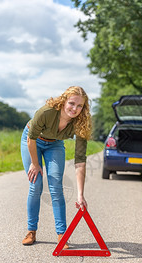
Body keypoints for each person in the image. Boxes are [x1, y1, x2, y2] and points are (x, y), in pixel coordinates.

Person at [21, 86, 92, 246]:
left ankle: (62, 235)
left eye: (79, 106)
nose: (75, 109)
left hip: (54, 144)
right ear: (63, 101)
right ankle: (31, 231)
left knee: (56, 188)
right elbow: (31, 139)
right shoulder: (46, 112)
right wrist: (35, 163)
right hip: (32, 140)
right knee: (36, 184)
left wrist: (80, 195)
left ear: (84, 108)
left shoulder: (81, 123)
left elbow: (80, 161)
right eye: (72, 103)